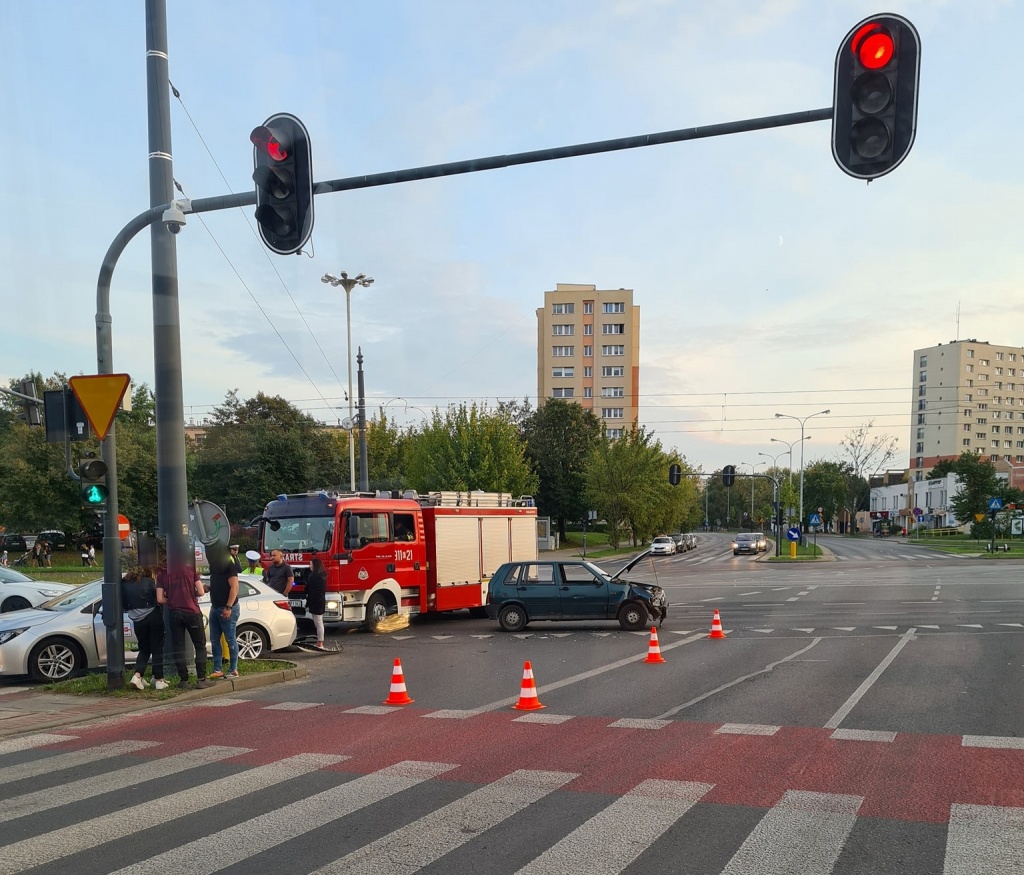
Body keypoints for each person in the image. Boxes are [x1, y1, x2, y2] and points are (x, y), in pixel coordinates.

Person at [157, 560, 211, 689]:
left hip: (175, 613)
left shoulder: (162, 572)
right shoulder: (191, 569)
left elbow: (160, 599)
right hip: (192, 611)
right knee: (199, 646)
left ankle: (184, 680)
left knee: (178, 647)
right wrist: (192, 594)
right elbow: (201, 592)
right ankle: (201, 679)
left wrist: (173, 600)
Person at [121, 565, 168, 690]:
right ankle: (159, 680)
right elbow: (159, 597)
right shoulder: (149, 582)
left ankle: (137, 676)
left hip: (136, 619)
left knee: (144, 648)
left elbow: (124, 603)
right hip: (153, 616)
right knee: (157, 648)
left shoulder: (124, 583)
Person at [207, 555, 240, 680]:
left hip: (226, 607)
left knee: (230, 639)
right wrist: (209, 588)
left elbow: (234, 587)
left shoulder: (229, 567)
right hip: (215, 606)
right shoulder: (214, 568)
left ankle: (233, 669)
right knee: (214, 639)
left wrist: (229, 607)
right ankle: (217, 669)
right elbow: (219, 585)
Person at [305, 556, 327, 649]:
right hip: (320, 601)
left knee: (318, 623)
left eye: (310, 564)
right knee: (319, 622)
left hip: (315, 601)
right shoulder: (322, 575)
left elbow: (309, 588)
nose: (309, 566)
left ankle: (320, 643)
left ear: (315, 565)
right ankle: (320, 641)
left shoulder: (314, 576)